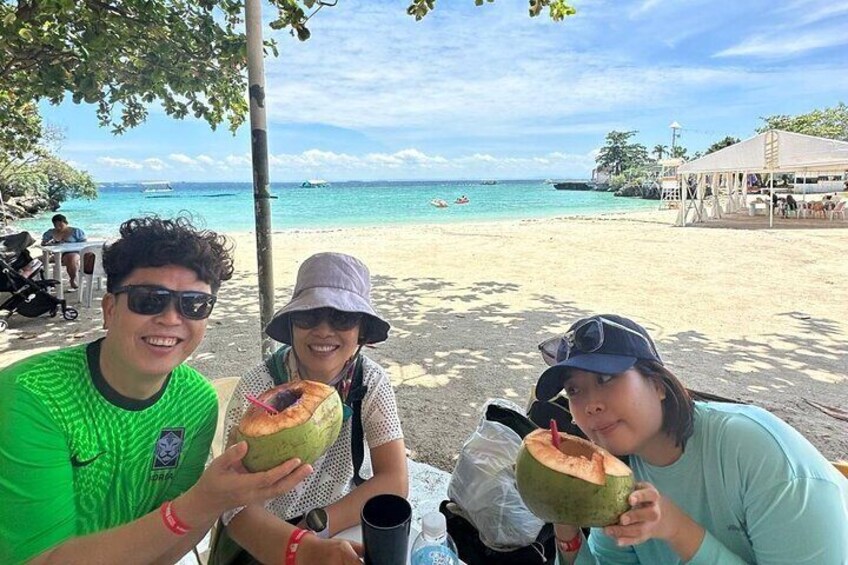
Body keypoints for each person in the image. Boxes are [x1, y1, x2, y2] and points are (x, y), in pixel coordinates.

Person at [0, 217, 313, 564]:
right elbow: (40, 559)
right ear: (109, 309)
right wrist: (200, 503)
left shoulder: (196, 401)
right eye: (149, 299)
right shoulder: (33, 396)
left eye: (194, 304)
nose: (170, 318)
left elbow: (179, 534)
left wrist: (200, 507)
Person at [533, 314, 848, 565]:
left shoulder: (758, 453)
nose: (591, 404)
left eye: (606, 378)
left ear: (658, 384)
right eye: (574, 390)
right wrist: (566, 526)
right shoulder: (620, 472)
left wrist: (675, 528)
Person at [220, 252, 408, 563]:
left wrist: (318, 522)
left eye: (342, 318)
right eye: (309, 316)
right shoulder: (258, 386)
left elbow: (394, 480)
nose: (323, 330)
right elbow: (233, 504)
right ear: (291, 323)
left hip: (335, 521)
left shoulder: (370, 381)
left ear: (361, 331)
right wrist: (300, 547)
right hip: (266, 531)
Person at [41, 213, 87, 289]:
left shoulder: (76, 231)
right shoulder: (50, 233)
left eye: (60, 225)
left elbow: (83, 244)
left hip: (73, 252)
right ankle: (41, 282)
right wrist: (48, 243)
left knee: (71, 258)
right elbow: (43, 243)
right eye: (56, 225)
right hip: (55, 254)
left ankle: (73, 279)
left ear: (65, 223)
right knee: (36, 261)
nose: (58, 227)